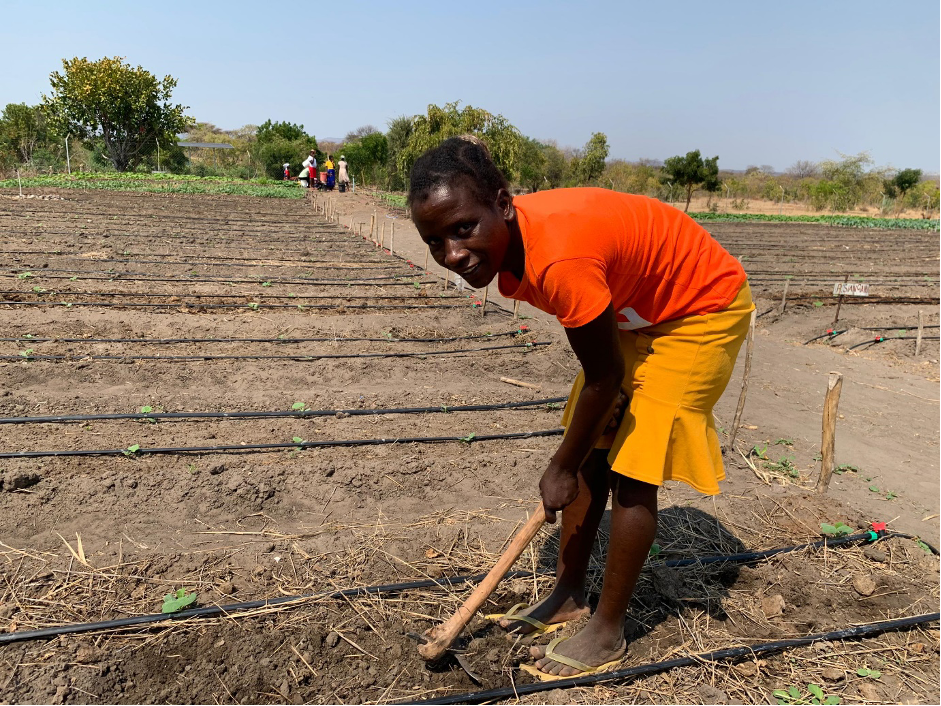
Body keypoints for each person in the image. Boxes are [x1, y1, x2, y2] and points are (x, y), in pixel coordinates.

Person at [408, 136, 752, 679]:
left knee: (634, 464)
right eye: (434, 241)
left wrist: (559, 467)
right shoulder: (518, 250)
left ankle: (608, 629)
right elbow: (602, 382)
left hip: (700, 309)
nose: (452, 254)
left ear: (503, 203)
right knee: (590, 441)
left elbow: (605, 376)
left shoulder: (560, 256)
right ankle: (568, 596)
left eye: (463, 229)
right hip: (637, 309)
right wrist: (576, 455)